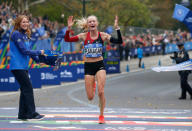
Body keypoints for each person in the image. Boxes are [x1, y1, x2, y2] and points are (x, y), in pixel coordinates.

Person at [64, 15, 122, 124]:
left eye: (93, 21)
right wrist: (68, 28)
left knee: (101, 91)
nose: (91, 23)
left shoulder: (103, 36)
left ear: (97, 23)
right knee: (90, 97)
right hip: (88, 67)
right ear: (88, 24)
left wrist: (117, 28)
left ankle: (101, 115)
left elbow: (119, 41)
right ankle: (94, 84)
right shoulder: (83, 36)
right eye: (89, 21)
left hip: (99, 65)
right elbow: (67, 39)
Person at [10, 15, 45, 121]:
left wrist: (39, 60)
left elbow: (29, 50)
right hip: (17, 66)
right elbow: (24, 51)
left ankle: (22, 114)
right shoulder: (16, 34)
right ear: (18, 23)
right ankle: (32, 113)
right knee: (28, 88)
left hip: (23, 66)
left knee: (24, 89)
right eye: (23, 22)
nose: (25, 24)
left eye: (27, 22)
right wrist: (39, 52)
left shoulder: (25, 35)